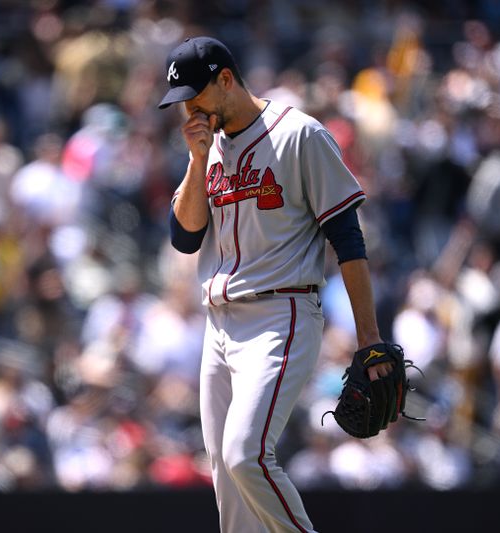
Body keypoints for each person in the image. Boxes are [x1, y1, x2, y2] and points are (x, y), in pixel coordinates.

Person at [159, 36, 393, 533]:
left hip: (279, 314)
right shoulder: (208, 147)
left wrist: (368, 336)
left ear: (226, 79)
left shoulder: (299, 135)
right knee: (226, 478)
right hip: (218, 324)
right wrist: (198, 161)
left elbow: (347, 239)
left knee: (246, 456)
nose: (189, 111)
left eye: (195, 97)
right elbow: (184, 237)